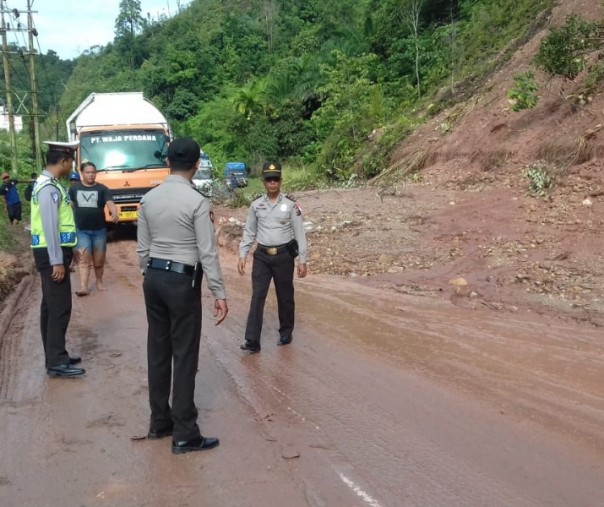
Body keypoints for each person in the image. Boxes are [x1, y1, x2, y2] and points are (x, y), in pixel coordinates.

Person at [137, 137, 228, 454]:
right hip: (181, 281)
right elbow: (207, 251)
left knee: (158, 351)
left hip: (154, 277)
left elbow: (142, 249)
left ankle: (159, 422)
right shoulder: (196, 202)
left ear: (167, 163)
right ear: (196, 164)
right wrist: (218, 291)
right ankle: (185, 432)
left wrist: (147, 275)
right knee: (184, 354)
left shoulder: (148, 199)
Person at [238, 162, 308, 353]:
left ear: (281, 181)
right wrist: (243, 254)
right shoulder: (256, 205)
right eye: (269, 179)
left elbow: (299, 233)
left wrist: (303, 260)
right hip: (262, 256)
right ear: (263, 182)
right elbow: (249, 231)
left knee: (285, 296)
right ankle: (252, 339)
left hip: (284, 256)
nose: (272, 183)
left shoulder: (291, 205)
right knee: (257, 296)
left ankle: (286, 332)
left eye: (275, 179)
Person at [30, 141, 85, 378]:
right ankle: (57, 361)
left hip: (54, 250)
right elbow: (50, 226)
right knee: (60, 307)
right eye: (71, 160)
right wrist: (56, 261)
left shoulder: (50, 184)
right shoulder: (48, 188)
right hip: (50, 252)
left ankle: (55, 354)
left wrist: (69, 249)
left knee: (50, 306)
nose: (71, 165)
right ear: (63, 161)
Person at [69, 161, 118, 296]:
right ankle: (83, 286)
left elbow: (110, 202)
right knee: (83, 258)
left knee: (99, 259)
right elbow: (69, 206)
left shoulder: (102, 189)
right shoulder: (74, 189)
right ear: (82, 173)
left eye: (93, 172)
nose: (91, 175)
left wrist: (114, 211)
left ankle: (99, 281)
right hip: (81, 230)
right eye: (88, 172)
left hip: (99, 230)